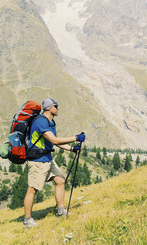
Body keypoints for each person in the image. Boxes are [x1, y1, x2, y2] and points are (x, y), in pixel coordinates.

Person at [23, 97, 86, 229]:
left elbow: (55, 141)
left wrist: (72, 148)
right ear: (49, 108)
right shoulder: (41, 121)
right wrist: (75, 138)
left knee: (60, 180)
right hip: (37, 161)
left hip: (46, 158)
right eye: (56, 106)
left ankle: (61, 211)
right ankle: (27, 221)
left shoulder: (50, 122)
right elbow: (54, 141)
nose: (58, 108)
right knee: (32, 190)